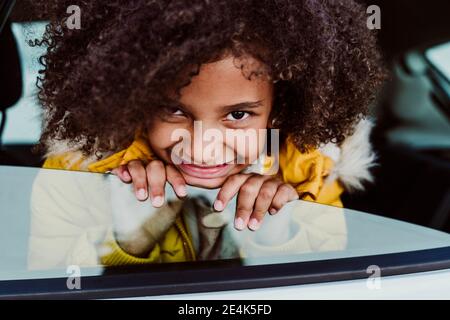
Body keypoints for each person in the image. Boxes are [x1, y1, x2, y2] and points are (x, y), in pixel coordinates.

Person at [30, 0, 385, 266]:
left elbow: (325, 286)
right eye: (174, 111)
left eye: (239, 114)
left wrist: (278, 235)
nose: (203, 150)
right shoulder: (76, 173)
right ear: (134, 101)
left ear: (280, 109)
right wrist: (128, 240)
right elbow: (49, 283)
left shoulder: (308, 175)